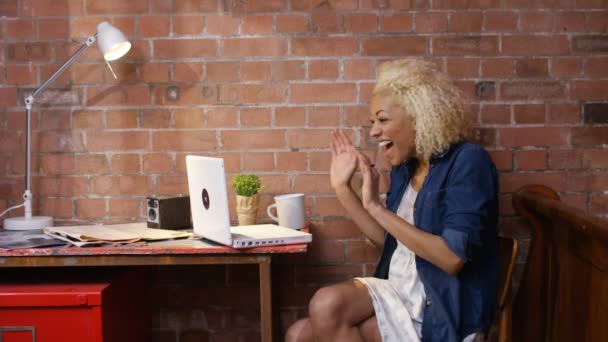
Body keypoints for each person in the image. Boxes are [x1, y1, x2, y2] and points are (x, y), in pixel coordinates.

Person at [285, 59, 499, 342]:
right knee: (298, 334)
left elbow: (452, 258)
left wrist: (376, 207)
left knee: (328, 306)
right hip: (401, 290)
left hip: (440, 303)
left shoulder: (468, 161)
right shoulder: (405, 167)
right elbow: (390, 242)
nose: (374, 132)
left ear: (420, 117)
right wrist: (343, 189)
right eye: (373, 122)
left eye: (383, 120)